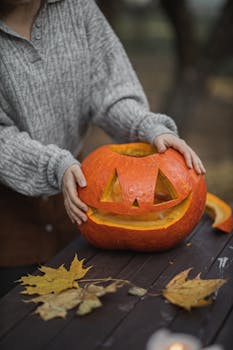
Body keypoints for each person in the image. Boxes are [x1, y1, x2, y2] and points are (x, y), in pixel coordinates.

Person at [0, 0, 205, 287]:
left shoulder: (78, 9)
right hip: (8, 218)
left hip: (78, 202)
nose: (134, 204)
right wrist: (54, 166)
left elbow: (110, 91)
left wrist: (148, 127)